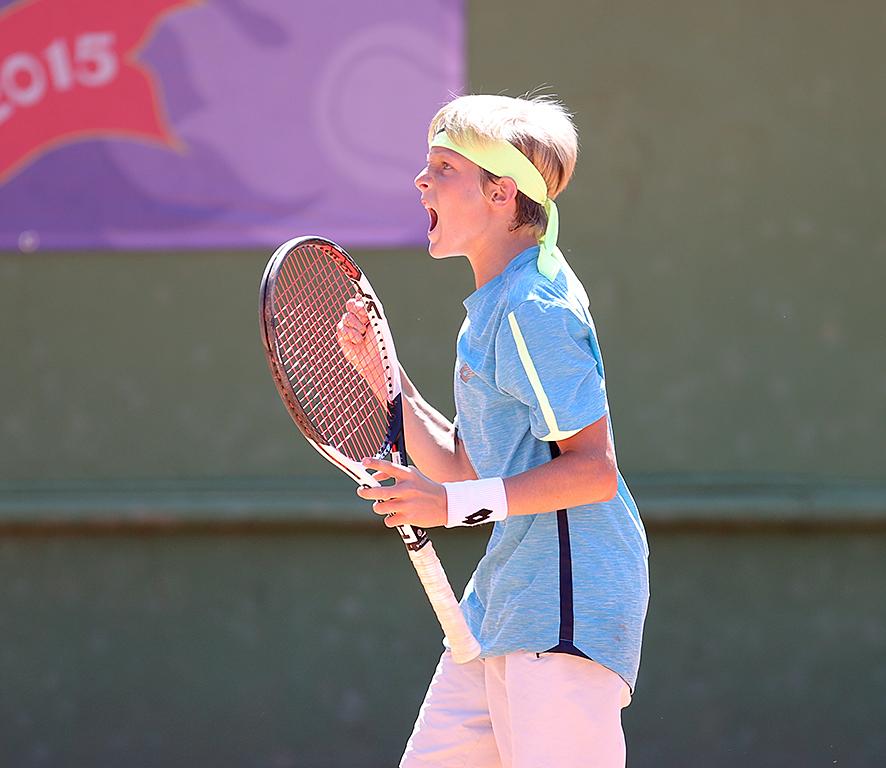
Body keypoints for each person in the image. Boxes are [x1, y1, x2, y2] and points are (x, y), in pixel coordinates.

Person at [338, 93, 649, 768]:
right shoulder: (490, 310)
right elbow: (468, 466)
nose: (422, 181)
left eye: (444, 168)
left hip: (566, 610)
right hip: (504, 606)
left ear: (501, 194)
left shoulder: (533, 307)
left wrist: (447, 507)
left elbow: (594, 471)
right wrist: (387, 380)